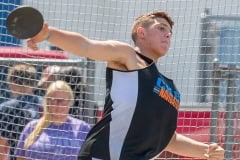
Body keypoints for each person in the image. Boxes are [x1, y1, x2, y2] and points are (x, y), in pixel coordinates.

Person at [27, 11, 224, 160]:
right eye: (162, 28)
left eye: (170, 32)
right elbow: (87, 46)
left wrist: (204, 151)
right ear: (141, 32)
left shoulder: (171, 88)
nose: (168, 34)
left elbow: (168, 139)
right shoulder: (128, 55)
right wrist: (49, 34)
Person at [15, 80, 91, 160]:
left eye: (61, 101)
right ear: (47, 102)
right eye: (53, 100)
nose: (58, 105)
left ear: (70, 102)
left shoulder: (82, 128)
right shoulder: (32, 127)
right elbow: (20, 157)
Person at [0, 64, 42, 160]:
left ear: (13, 84)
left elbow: (2, 145)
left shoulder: (7, 108)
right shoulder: (48, 104)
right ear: (33, 83)